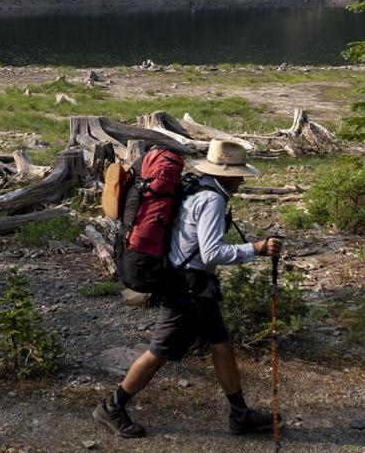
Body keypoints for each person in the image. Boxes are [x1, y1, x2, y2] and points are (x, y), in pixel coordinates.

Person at [93, 139, 285, 438]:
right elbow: (211, 253)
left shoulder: (196, 187)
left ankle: (240, 414)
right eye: (240, 173)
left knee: (222, 345)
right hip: (187, 288)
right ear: (228, 173)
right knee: (159, 353)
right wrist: (255, 249)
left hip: (196, 285)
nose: (242, 179)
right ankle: (112, 407)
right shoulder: (212, 200)